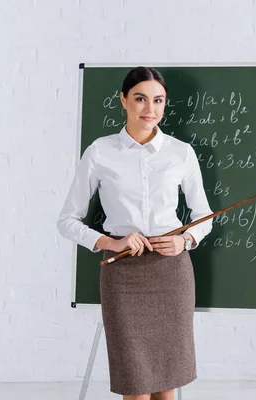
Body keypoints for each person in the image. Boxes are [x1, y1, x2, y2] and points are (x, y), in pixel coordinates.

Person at [57, 66, 213, 400]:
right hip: (122, 274)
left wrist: (184, 240)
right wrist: (111, 242)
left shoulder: (181, 152)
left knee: (168, 384)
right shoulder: (101, 151)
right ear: (123, 100)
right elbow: (67, 220)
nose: (150, 109)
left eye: (158, 100)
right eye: (140, 99)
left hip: (171, 273)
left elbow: (204, 217)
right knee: (135, 384)